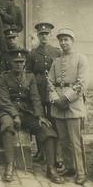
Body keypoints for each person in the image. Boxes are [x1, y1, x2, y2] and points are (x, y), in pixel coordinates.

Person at [0, 48, 64, 184]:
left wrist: (40, 115)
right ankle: (10, 165)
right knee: (7, 125)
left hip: (27, 112)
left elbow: (35, 97)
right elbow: (4, 100)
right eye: (16, 62)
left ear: (25, 63)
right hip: (8, 111)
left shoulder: (30, 76)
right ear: (10, 62)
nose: (18, 64)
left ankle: (50, 168)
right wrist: (15, 115)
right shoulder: (3, 77)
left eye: (21, 62)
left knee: (47, 129)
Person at [48, 28, 88, 185]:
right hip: (58, 105)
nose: (63, 43)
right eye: (61, 40)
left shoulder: (81, 58)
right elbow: (50, 82)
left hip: (73, 105)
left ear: (72, 41)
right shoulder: (56, 61)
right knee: (64, 140)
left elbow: (82, 83)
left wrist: (66, 98)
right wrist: (56, 98)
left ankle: (81, 172)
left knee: (75, 141)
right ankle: (69, 167)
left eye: (66, 39)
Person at [26, 23, 63, 165]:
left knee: (54, 119)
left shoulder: (57, 52)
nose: (44, 36)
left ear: (51, 35)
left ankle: (56, 154)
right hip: (38, 89)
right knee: (39, 119)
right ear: (38, 36)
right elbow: (28, 73)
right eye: (41, 34)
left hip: (53, 89)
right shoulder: (32, 54)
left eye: (46, 34)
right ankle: (40, 151)